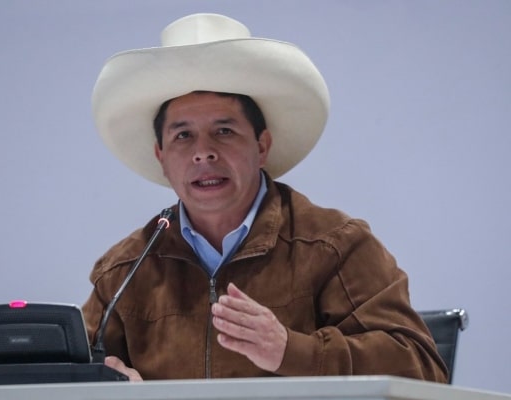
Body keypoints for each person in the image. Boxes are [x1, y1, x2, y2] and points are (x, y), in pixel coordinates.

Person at [82, 13, 448, 382]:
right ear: (161, 157)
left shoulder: (336, 246)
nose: (203, 153)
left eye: (224, 131)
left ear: (261, 146)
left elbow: (423, 369)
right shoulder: (125, 270)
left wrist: (292, 351)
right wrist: (108, 384)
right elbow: (70, 367)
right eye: (183, 136)